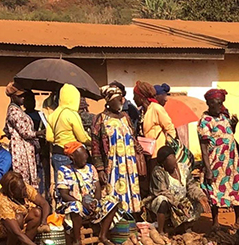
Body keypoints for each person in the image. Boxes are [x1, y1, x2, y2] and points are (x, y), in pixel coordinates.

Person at [56, 142, 120, 245]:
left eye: (86, 153)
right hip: (74, 206)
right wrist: (82, 203)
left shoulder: (91, 168)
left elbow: (97, 187)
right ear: (72, 157)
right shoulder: (64, 171)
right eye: (83, 154)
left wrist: (95, 201)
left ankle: (103, 236)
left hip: (92, 205)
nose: (86, 156)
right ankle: (77, 241)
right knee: (75, 206)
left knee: (113, 201)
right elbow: (64, 194)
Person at [198, 89, 239, 230]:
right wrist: (208, 169)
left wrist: (234, 125)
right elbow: (204, 148)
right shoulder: (205, 121)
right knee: (215, 192)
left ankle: (238, 220)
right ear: (209, 103)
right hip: (216, 163)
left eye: (220, 103)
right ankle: (216, 222)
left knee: (236, 190)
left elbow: (228, 134)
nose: (219, 106)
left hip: (231, 163)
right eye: (216, 104)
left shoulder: (223, 117)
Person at [91, 85, 141, 215]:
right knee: (112, 192)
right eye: (118, 99)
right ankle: (114, 222)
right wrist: (100, 169)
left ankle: (130, 220)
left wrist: (137, 146)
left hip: (129, 164)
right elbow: (95, 145)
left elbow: (132, 137)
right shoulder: (100, 119)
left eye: (122, 99)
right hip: (112, 165)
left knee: (130, 192)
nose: (121, 102)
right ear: (109, 101)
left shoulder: (126, 117)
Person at [149, 146, 211, 234]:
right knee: (161, 200)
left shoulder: (183, 168)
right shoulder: (158, 172)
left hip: (183, 201)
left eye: (174, 160)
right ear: (163, 164)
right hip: (170, 202)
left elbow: (191, 186)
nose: (174, 164)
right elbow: (163, 192)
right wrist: (178, 204)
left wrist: (201, 197)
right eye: (170, 162)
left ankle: (186, 226)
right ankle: (161, 230)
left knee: (198, 202)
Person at [0, 171, 50, 245]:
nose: (25, 191)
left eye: (24, 187)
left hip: (17, 217)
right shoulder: (2, 201)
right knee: (18, 218)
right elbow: (16, 232)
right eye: (21, 190)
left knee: (37, 213)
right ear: (12, 193)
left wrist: (44, 222)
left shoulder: (23, 187)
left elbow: (44, 203)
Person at [46, 84, 91, 182]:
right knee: (72, 186)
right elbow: (82, 138)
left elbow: (49, 138)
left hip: (56, 154)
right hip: (70, 154)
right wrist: (93, 142)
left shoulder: (52, 115)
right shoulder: (72, 114)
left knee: (61, 185)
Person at [4, 82, 44, 189]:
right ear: (12, 97)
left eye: (23, 96)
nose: (23, 98)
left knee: (29, 179)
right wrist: (39, 133)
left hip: (25, 148)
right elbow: (25, 133)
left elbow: (6, 130)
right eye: (20, 96)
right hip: (21, 150)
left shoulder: (18, 110)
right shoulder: (14, 111)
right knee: (23, 179)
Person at [133, 81, 176, 177]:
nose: (133, 99)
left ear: (141, 96)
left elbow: (170, 128)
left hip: (158, 155)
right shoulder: (143, 112)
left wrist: (167, 151)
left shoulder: (156, 108)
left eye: (135, 95)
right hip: (147, 154)